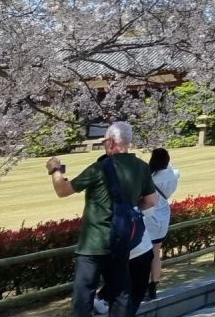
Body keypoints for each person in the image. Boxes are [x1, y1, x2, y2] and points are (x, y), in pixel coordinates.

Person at [46, 120, 158, 317]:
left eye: (106, 141)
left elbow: (62, 190)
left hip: (93, 243)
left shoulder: (99, 168)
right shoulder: (141, 167)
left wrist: (56, 170)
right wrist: (129, 209)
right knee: (121, 294)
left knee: (83, 297)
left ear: (112, 142)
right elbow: (150, 201)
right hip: (121, 242)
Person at [143, 148, 179, 298]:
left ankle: (143, 285)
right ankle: (153, 286)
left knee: (144, 254)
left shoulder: (150, 178)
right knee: (156, 253)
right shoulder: (174, 175)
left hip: (149, 216)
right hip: (164, 214)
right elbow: (171, 166)